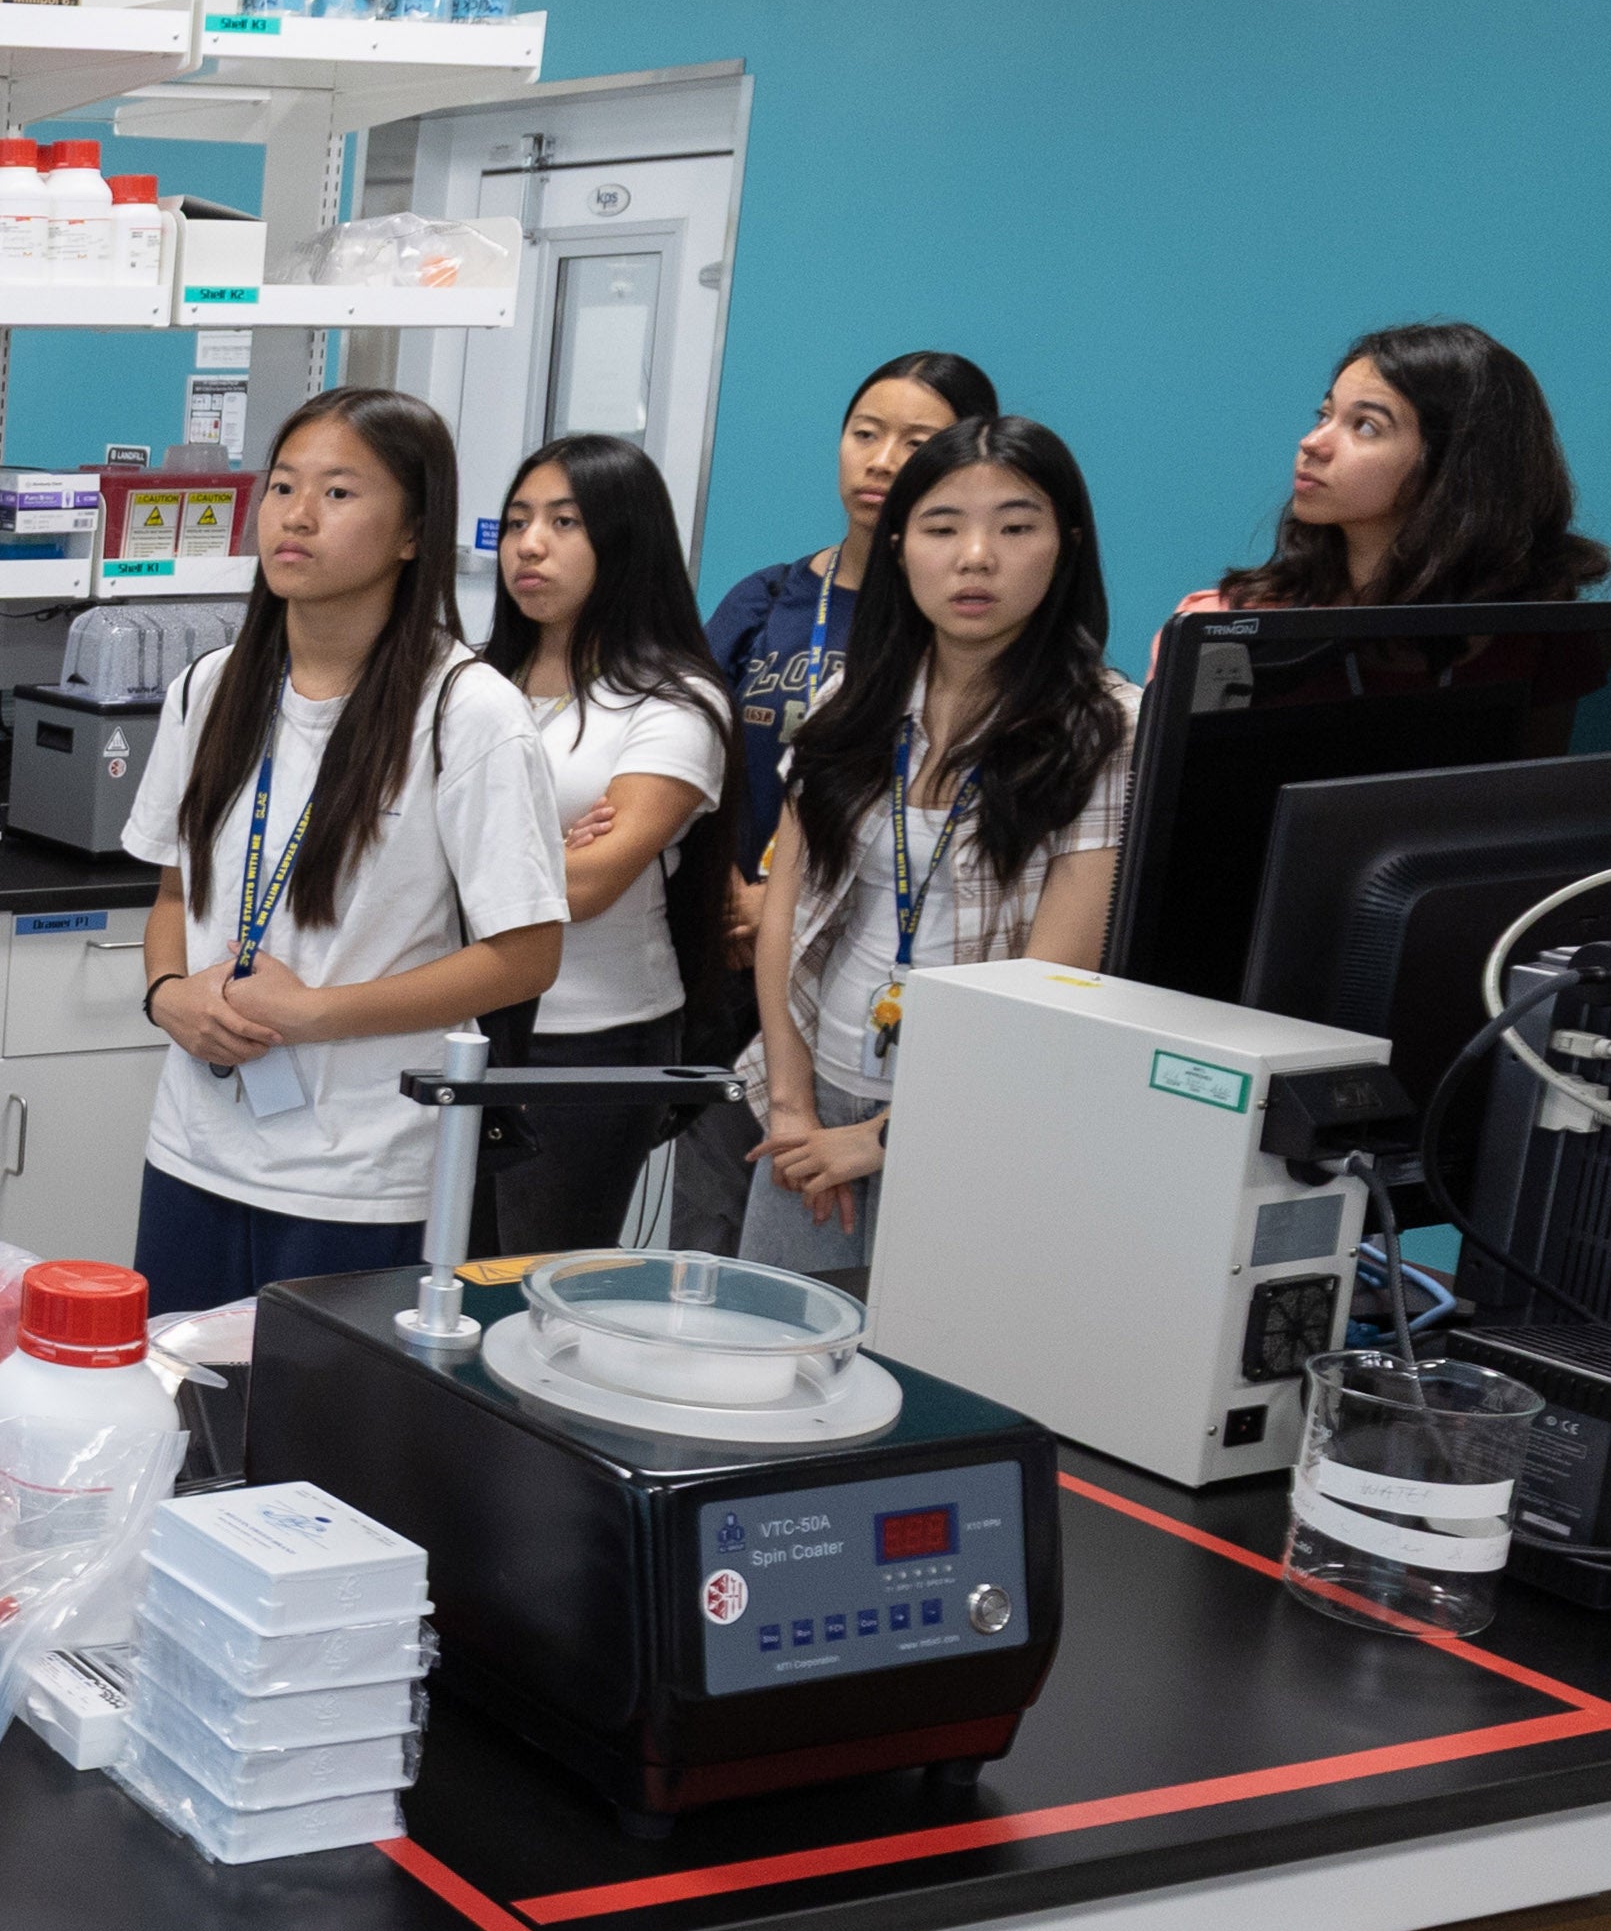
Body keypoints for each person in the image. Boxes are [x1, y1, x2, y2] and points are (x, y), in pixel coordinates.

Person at [126, 386, 569, 1314]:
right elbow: (174, 892)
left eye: (337, 493)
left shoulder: (467, 713)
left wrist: (315, 1013)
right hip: (195, 1147)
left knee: (326, 1406)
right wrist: (167, 996)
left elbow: (526, 955)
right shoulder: (210, 688)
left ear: (412, 532)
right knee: (183, 1393)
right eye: (283, 486)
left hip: (363, 1173)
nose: (295, 516)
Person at [746, 413, 1131, 1271]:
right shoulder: (850, 701)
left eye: (1015, 528)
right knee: (779, 1340)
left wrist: (885, 1138)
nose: (975, 558)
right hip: (815, 1098)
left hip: (984, 1121)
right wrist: (791, 1104)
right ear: (897, 547)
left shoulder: (1107, 729)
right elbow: (786, 909)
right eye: (941, 528)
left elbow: (1056, 980)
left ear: (1065, 546)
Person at [674, 350, 991, 1246]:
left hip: (870, 968)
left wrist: (783, 902)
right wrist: (730, 892)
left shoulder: (954, 630)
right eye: (864, 434)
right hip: (732, 954)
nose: (881, 461)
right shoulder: (768, 599)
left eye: (915, 442)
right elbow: (688, 755)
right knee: (711, 1221)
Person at [476, 432, 738, 1255]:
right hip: (451, 1013)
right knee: (424, 1276)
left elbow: (587, 889)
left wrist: (480, 858)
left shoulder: (672, 701)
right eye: (516, 521)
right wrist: (549, 849)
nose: (529, 544)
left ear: (626, 541)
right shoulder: (471, 684)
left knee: (525, 1277)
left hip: (589, 1032)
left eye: (564, 522)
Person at [1196, 317, 1611, 615]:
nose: (1312, 443)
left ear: (1452, 465)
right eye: (1324, 416)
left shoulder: (1538, 637)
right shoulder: (1225, 626)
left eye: (1365, 426)